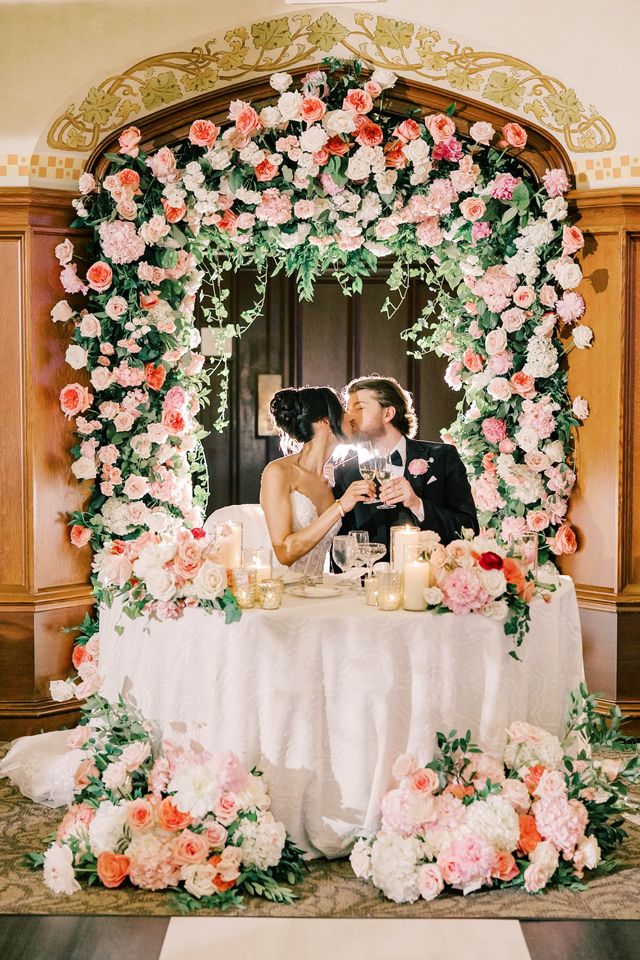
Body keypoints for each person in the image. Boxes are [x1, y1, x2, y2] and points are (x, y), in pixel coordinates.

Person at [332, 375, 479, 554]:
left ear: (388, 413)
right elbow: (340, 546)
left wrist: (417, 504)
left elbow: (469, 529)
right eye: (347, 409)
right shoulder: (344, 472)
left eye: (359, 407)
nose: (349, 416)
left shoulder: (443, 457)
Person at [260, 386, 374, 577]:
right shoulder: (278, 472)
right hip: (279, 588)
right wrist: (340, 507)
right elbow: (284, 553)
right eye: (343, 411)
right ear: (326, 422)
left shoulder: (332, 481)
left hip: (319, 589)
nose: (350, 417)